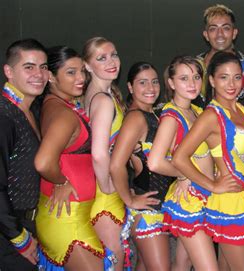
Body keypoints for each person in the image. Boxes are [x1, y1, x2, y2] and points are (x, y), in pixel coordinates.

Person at [172, 51, 244, 270]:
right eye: (224, 77)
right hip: (229, 202)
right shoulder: (211, 116)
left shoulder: (240, 109)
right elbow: (179, 158)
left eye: (237, 77)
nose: (232, 84)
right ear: (211, 80)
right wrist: (211, 184)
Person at [34, 45, 115, 270]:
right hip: (67, 220)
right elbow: (42, 162)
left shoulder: (57, 105)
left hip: (72, 216)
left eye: (82, 71)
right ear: (50, 77)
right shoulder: (64, 115)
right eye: (71, 72)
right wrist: (62, 181)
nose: (80, 78)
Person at [148, 55, 217, 270]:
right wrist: (183, 175)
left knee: (183, 262)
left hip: (205, 194)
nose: (192, 84)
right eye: (184, 78)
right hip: (189, 201)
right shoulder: (171, 116)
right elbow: (155, 162)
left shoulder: (196, 111)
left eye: (196, 77)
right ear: (171, 83)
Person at [109, 62, 173, 270]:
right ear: (130, 87)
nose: (150, 88)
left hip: (160, 204)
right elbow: (116, 164)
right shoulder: (136, 118)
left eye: (154, 82)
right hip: (148, 209)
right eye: (142, 82)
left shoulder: (155, 113)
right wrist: (129, 200)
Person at [0, 38, 48, 271]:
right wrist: (18, 237)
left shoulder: (33, 110)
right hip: (9, 233)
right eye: (29, 67)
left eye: (44, 67)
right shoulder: (4, 116)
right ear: (9, 71)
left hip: (27, 223)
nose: (39, 74)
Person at [83, 37, 127, 270]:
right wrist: (109, 185)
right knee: (114, 257)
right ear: (87, 65)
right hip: (104, 192)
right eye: (101, 58)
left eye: (114, 55)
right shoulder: (103, 100)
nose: (112, 62)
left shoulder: (93, 94)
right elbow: (99, 154)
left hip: (98, 184)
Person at [194, 4, 244, 110]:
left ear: (234, 33)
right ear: (206, 35)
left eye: (225, 28)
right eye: (213, 29)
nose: (219, 34)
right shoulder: (194, 66)